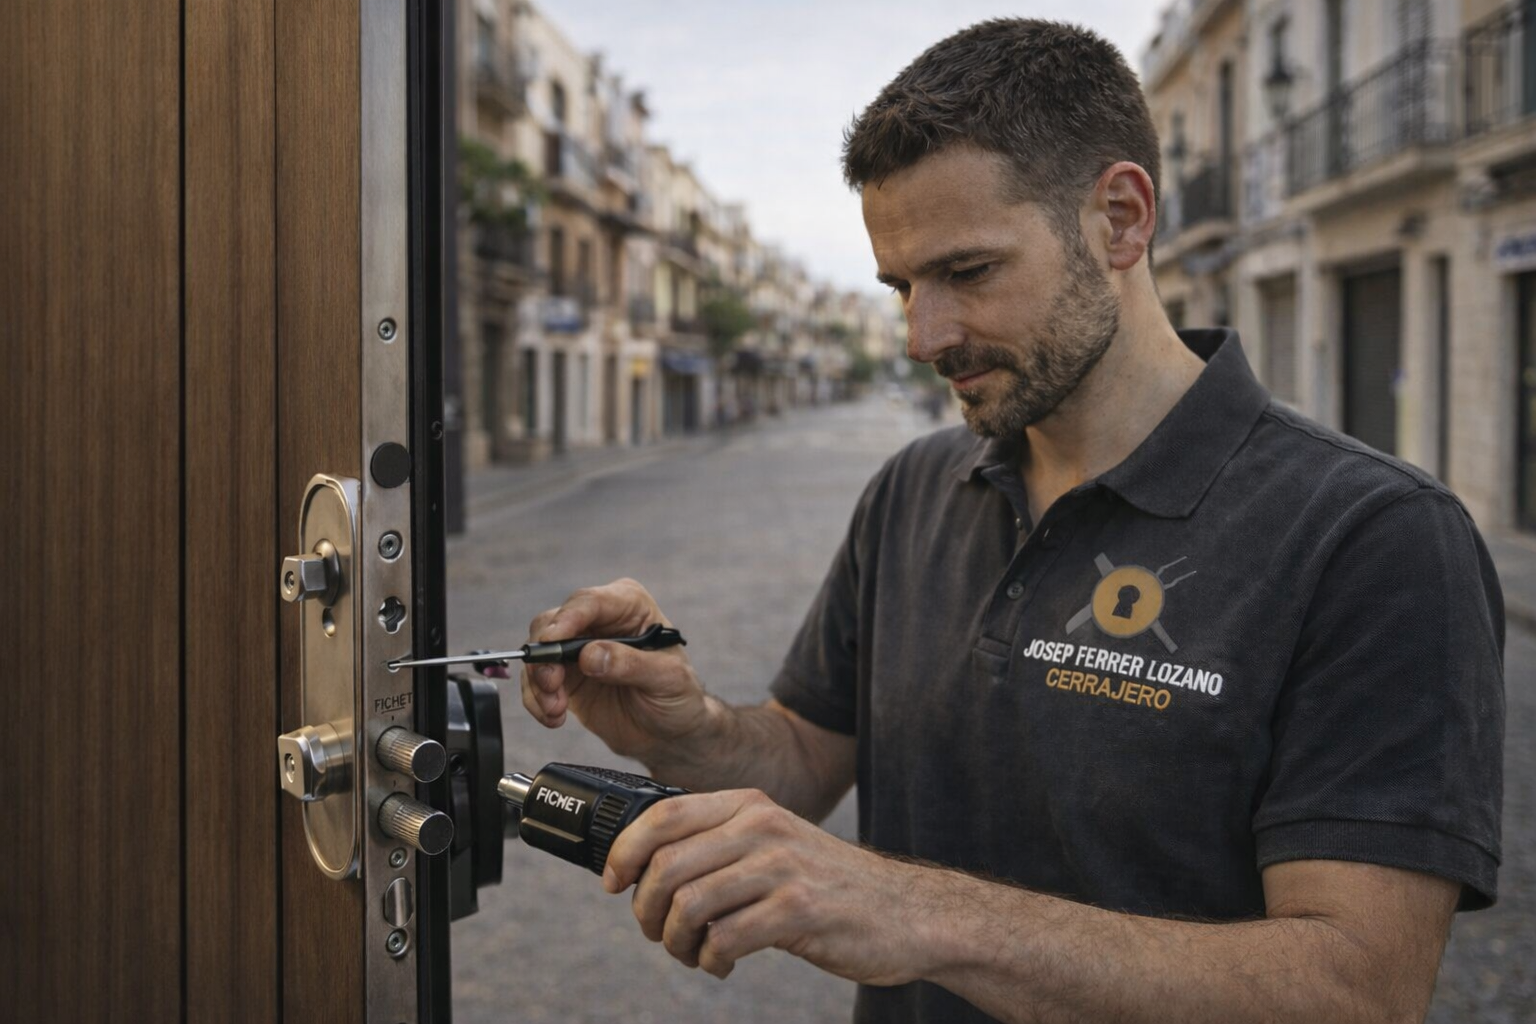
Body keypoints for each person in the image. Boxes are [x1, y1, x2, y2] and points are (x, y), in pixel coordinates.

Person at [517, 19, 1505, 1024]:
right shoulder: (912, 490)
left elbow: (1360, 989)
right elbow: (805, 760)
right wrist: (685, 731)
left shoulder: (1374, 539)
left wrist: (917, 910)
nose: (922, 337)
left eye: (968, 272)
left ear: (1120, 219)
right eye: (902, 287)